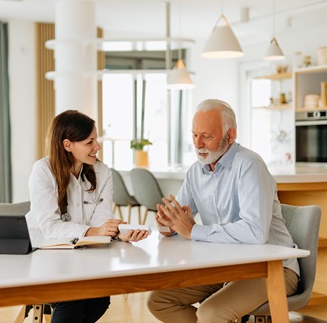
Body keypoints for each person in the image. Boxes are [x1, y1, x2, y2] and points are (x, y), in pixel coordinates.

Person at [147, 99, 299, 323]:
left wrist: (193, 230)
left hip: (272, 269)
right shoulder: (196, 171)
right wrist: (168, 225)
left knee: (210, 313)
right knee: (158, 301)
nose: (198, 144)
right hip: (226, 268)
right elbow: (180, 222)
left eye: (207, 136)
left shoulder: (249, 166)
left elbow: (255, 232)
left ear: (230, 136)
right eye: (194, 135)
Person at [26, 109, 149, 323]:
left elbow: (101, 221)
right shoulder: (43, 170)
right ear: (67, 145)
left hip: (83, 255)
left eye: (97, 140)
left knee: (100, 298)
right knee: (71, 299)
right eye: (89, 142)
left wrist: (118, 234)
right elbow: (50, 227)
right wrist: (96, 231)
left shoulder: (102, 172)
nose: (97, 147)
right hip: (44, 252)